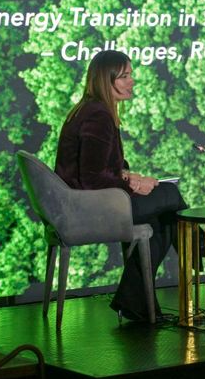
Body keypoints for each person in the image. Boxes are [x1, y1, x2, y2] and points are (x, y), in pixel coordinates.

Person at [54, 50, 185, 322]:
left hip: (89, 203)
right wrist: (131, 182)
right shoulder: (98, 115)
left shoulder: (92, 109)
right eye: (125, 76)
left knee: (163, 220)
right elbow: (92, 178)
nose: (132, 81)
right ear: (106, 79)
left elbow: (103, 166)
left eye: (130, 75)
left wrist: (128, 176)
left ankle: (137, 306)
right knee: (170, 194)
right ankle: (202, 248)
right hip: (89, 209)